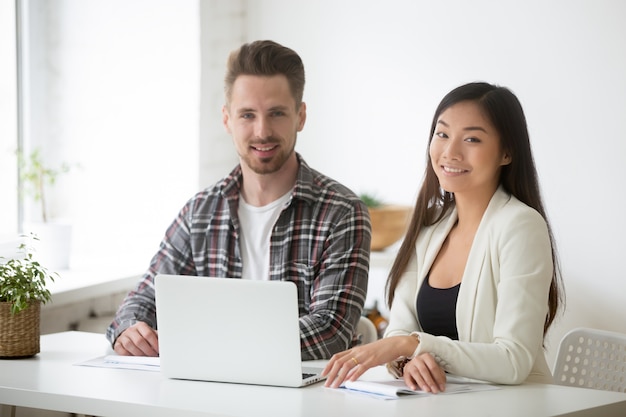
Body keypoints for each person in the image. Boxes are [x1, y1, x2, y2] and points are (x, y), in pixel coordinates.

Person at [106, 40, 371, 361]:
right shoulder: (199, 213)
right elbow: (144, 299)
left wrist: (213, 343)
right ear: (227, 119)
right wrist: (130, 330)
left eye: (277, 113)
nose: (262, 131)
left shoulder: (341, 213)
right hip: (209, 393)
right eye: (247, 114)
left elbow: (331, 331)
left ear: (300, 116)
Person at [322, 82, 563, 391]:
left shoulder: (520, 226)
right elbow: (400, 334)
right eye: (442, 134)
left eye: (472, 139)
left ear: (507, 152)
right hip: (441, 402)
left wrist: (414, 347)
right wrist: (411, 362)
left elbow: (514, 360)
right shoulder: (430, 227)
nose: (450, 152)